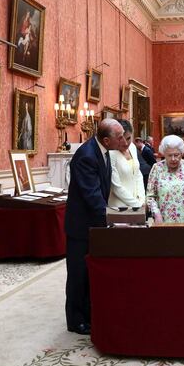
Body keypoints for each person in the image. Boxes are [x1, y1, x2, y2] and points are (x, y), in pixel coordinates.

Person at [64, 118, 125, 336]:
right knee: (78, 275)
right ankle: (75, 320)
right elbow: (93, 196)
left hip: (92, 225)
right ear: (107, 140)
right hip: (81, 226)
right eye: (119, 137)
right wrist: (112, 220)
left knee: (89, 272)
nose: (123, 140)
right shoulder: (87, 156)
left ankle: (88, 314)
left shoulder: (104, 151)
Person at [146, 135, 184, 223]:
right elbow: (150, 196)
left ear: (182, 153)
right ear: (164, 154)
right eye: (169, 155)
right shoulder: (157, 168)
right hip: (164, 219)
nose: (173, 159)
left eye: (176, 155)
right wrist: (156, 213)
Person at [109, 119, 145, 210]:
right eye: (121, 139)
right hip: (119, 206)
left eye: (128, 138)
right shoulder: (111, 153)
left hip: (138, 203)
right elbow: (116, 187)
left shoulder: (132, 147)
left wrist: (142, 198)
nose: (125, 143)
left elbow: (138, 174)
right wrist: (136, 204)